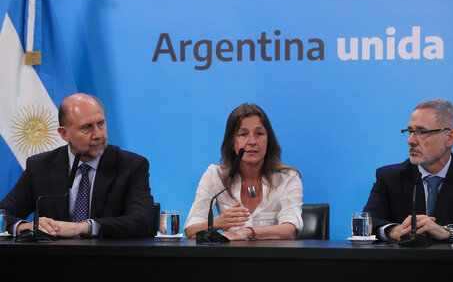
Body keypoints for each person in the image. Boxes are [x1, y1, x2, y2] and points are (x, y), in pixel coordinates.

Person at [0, 93, 155, 238]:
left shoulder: (130, 166)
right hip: (51, 262)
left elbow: (144, 221)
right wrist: (24, 226)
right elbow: (3, 215)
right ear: (64, 134)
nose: (98, 134)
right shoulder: (40, 166)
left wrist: (83, 227)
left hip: (109, 261)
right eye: (86, 127)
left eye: (101, 124)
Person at [184, 103, 303, 240]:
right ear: (231, 142)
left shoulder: (288, 177)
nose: (252, 141)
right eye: (243, 134)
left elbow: (290, 229)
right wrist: (217, 222)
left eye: (259, 134)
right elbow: (191, 229)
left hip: (274, 259)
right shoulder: (214, 175)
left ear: (268, 140)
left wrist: (248, 232)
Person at [364, 98, 453, 242]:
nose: (411, 141)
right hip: (406, 263)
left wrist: (448, 232)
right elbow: (368, 222)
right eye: (410, 131)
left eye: (422, 132)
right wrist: (393, 230)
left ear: (450, 138)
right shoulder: (390, 177)